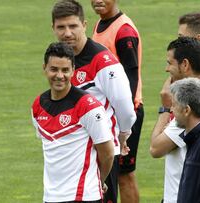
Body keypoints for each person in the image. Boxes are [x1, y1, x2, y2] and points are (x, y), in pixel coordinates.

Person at [51, 1, 137, 202]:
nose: (67, 33)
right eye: (61, 27)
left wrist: (123, 134)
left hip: (101, 150)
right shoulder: (61, 59)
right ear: (53, 28)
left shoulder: (102, 61)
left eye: (73, 26)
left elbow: (125, 106)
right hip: (73, 150)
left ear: (84, 25)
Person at [31, 42, 115, 202]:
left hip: (83, 196)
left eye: (65, 70)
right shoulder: (38, 105)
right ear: (45, 68)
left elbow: (108, 153)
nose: (59, 75)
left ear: (73, 70)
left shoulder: (88, 106)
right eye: (54, 69)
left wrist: (98, 180)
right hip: (51, 197)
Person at [149, 37, 200, 203]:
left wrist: (165, 107)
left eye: (170, 63)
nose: (166, 69)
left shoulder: (189, 108)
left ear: (184, 65)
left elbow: (155, 148)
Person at [90, 1, 144, 202]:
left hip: (126, 112)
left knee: (123, 175)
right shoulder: (100, 23)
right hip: (108, 112)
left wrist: (124, 122)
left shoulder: (124, 31)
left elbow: (131, 76)